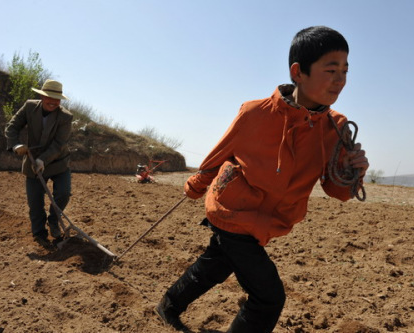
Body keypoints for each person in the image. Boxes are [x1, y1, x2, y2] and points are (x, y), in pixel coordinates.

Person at [156, 26, 369, 332]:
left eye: (345, 71)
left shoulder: (336, 128)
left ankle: (167, 306)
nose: (340, 80)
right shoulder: (254, 113)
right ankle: (169, 306)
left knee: (215, 265)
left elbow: (336, 191)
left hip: (268, 221)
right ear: (299, 72)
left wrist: (354, 172)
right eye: (331, 69)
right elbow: (217, 156)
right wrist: (195, 186)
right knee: (268, 297)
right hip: (231, 210)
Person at [5, 79, 73, 247]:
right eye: (49, 97)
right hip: (33, 161)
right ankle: (39, 234)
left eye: (57, 99)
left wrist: (44, 159)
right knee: (35, 202)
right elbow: (12, 127)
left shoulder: (65, 117)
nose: (53, 102)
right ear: (42, 96)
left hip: (58, 162)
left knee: (63, 193)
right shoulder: (29, 107)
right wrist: (16, 144)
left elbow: (59, 144)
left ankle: (54, 220)